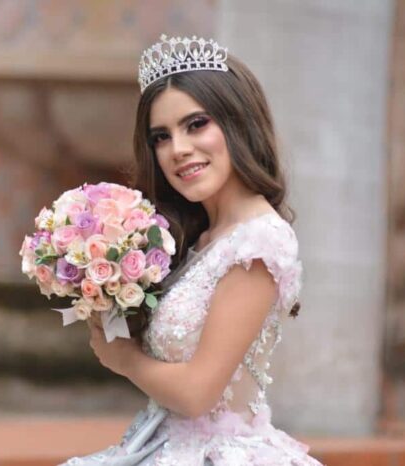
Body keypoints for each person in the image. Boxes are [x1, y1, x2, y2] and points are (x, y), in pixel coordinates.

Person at [60, 35, 324, 465]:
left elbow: (198, 393)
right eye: (161, 137)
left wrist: (123, 359)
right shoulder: (196, 238)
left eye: (196, 124)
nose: (178, 149)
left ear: (238, 123)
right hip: (158, 444)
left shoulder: (257, 243)